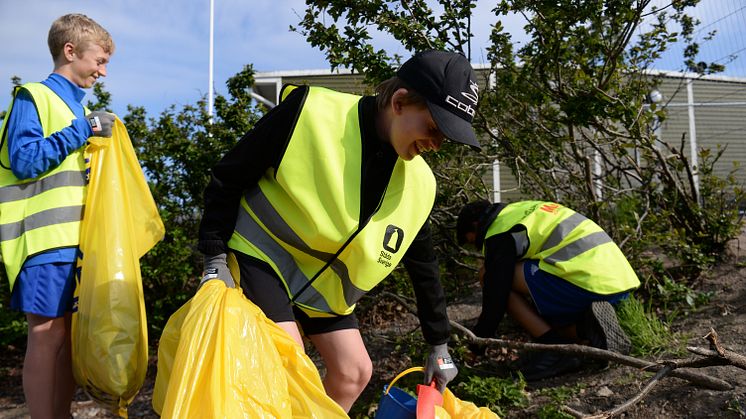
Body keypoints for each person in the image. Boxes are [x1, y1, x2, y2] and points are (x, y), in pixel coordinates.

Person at [198, 50, 480, 411]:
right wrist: (214, 256)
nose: (436, 144)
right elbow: (229, 175)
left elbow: (424, 265)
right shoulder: (312, 112)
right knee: (290, 361)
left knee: (355, 371)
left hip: (321, 293)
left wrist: (438, 343)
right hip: (261, 257)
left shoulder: (418, 182)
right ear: (399, 102)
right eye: (434, 128)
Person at [0, 13, 115, 417]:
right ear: (70, 52)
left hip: (74, 245)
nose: (102, 72)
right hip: (44, 242)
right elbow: (25, 160)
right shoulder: (33, 96)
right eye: (99, 61)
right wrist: (82, 131)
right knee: (47, 335)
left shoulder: (76, 109)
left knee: (66, 338)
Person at [456, 200, 640, 380]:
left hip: (586, 283)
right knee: (544, 312)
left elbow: (496, 298)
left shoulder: (499, 230)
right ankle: (588, 332)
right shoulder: (521, 210)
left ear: (476, 225)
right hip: (619, 283)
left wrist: (476, 345)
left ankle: (553, 348)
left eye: (473, 242)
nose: (479, 249)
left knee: (489, 276)